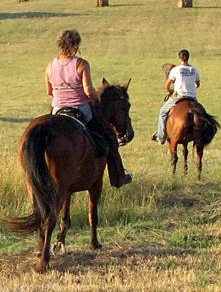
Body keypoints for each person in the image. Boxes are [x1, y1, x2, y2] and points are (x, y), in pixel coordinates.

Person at [44, 29, 132, 188]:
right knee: (109, 137)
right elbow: (88, 91)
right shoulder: (81, 64)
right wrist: (96, 98)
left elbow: (49, 91)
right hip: (80, 108)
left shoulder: (51, 65)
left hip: (57, 109)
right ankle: (118, 176)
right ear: (76, 45)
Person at [152, 49, 201, 144]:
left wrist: (170, 91)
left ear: (180, 58)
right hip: (192, 98)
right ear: (188, 58)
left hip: (179, 96)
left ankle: (161, 137)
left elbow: (167, 85)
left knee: (162, 112)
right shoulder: (194, 70)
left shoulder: (176, 70)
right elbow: (198, 84)